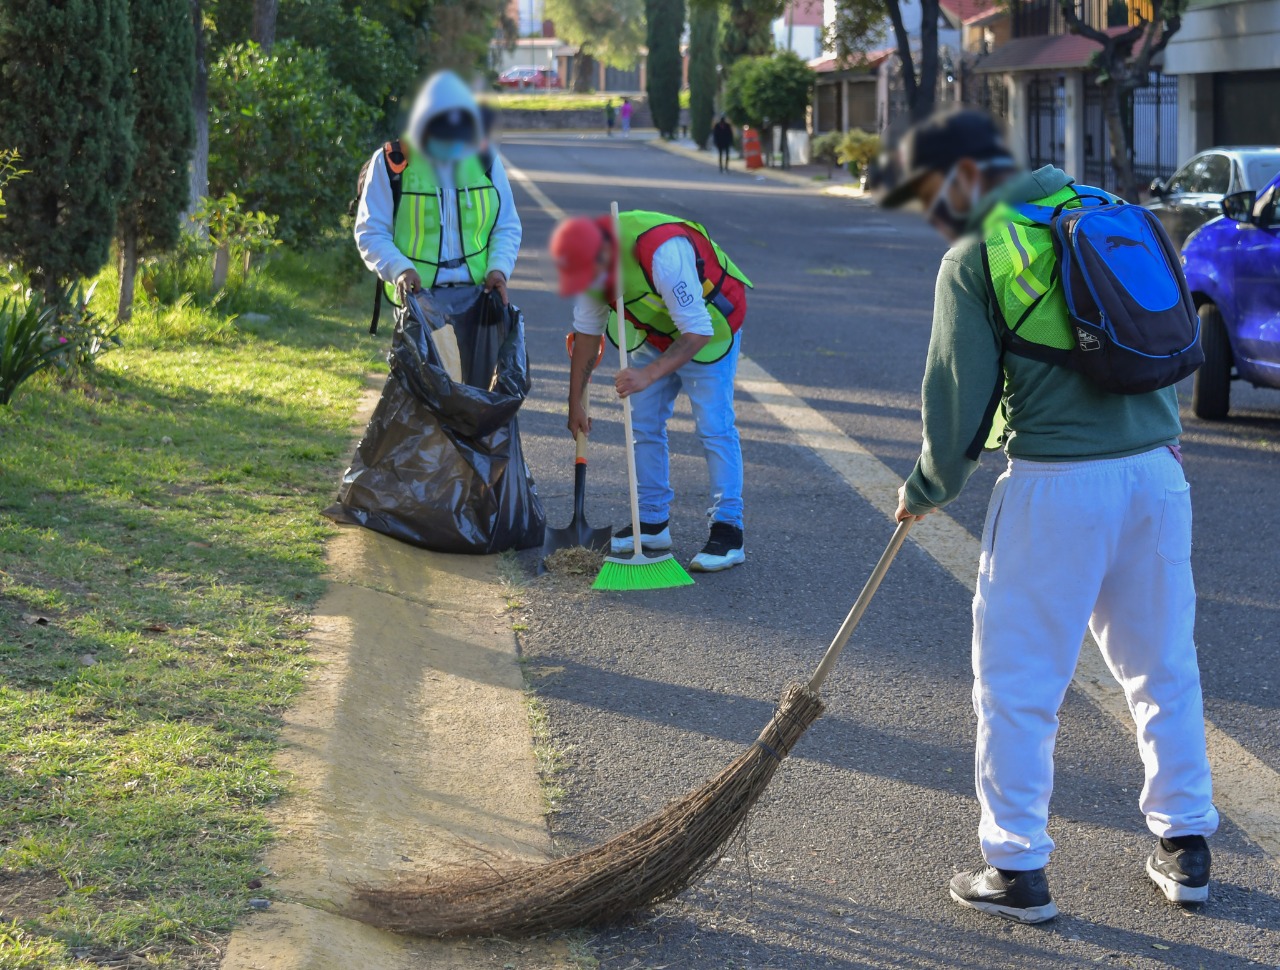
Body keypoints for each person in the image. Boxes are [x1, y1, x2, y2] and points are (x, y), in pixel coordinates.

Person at [878, 109, 1218, 924]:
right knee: (1164, 665)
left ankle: (1017, 867)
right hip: (1158, 475)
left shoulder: (977, 254)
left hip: (1056, 487)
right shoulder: (1111, 210)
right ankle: (1186, 849)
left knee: (1019, 683)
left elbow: (956, 403)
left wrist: (927, 488)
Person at [550, 211, 752, 571]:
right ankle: (652, 521)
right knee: (641, 423)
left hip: (708, 327)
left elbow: (696, 331)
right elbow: (586, 339)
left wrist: (649, 375)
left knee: (714, 428)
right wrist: (574, 405)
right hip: (656, 332)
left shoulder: (663, 253)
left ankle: (728, 529)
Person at [354, 71, 522, 309]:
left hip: (479, 298)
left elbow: (506, 226)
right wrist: (400, 270)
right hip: (416, 300)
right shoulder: (392, 162)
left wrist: (499, 269)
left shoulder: (485, 161)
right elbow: (371, 231)